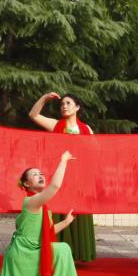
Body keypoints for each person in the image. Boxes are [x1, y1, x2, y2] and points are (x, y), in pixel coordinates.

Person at [0, 151, 80, 276]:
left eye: (41, 173)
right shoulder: (32, 202)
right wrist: (63, 161)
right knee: (63, 248)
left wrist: (66, 222)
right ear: (27, 184)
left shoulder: (41, 205)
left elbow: (48, 232)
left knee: (62, 248)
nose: (40, 175)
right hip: (23, 253)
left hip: (32, 250)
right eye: (35, 174)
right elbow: (55, 186)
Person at [28, 92, 96, 262]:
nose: (64, 106)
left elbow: (95, 153)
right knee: (59, 210)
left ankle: (79, 253)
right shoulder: (56, 125)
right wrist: (44, 98)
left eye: (68, 103)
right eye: (62, 104)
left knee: (77, 211)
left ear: (77, 107)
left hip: (79, 179)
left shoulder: (86, 130)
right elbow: (33, 115)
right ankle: (57, 252)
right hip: (60, 177)